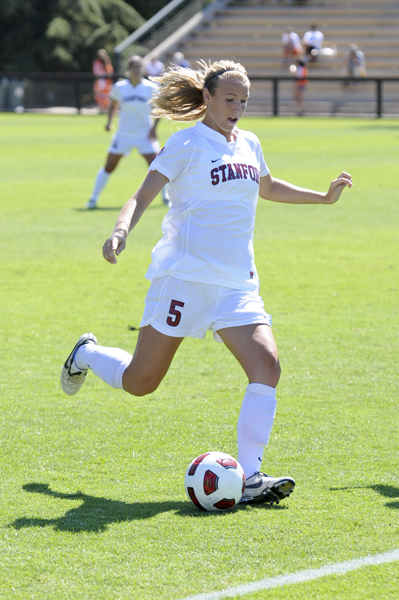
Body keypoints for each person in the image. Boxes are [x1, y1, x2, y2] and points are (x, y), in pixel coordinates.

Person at [63, 59, 352, 505]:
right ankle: (87, 353)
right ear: (208, 99)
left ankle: (251, 476)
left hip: (236, 285)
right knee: (141, 382)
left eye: (244, 100)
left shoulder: (250, 143)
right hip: (183, 282)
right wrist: (121, 230)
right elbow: (141, 196)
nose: (238, 107)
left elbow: (268, 187)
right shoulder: (186, 144)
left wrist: (323, 196)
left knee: (267, 366)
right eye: (230, 99)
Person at [87, 55, 170, 210]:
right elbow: (113, 105)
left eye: (139, 67)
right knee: (109, 166)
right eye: (134, 67)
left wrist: (153, 129)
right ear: (129, 69)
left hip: (144, 134)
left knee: (158, 166)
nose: (137, 70)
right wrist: (109, 122)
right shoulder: (120, 87)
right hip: (123, 134)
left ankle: (165, 197)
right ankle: (93, 199)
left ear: (143, 69)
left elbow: (160, 110)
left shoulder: (151, 87)